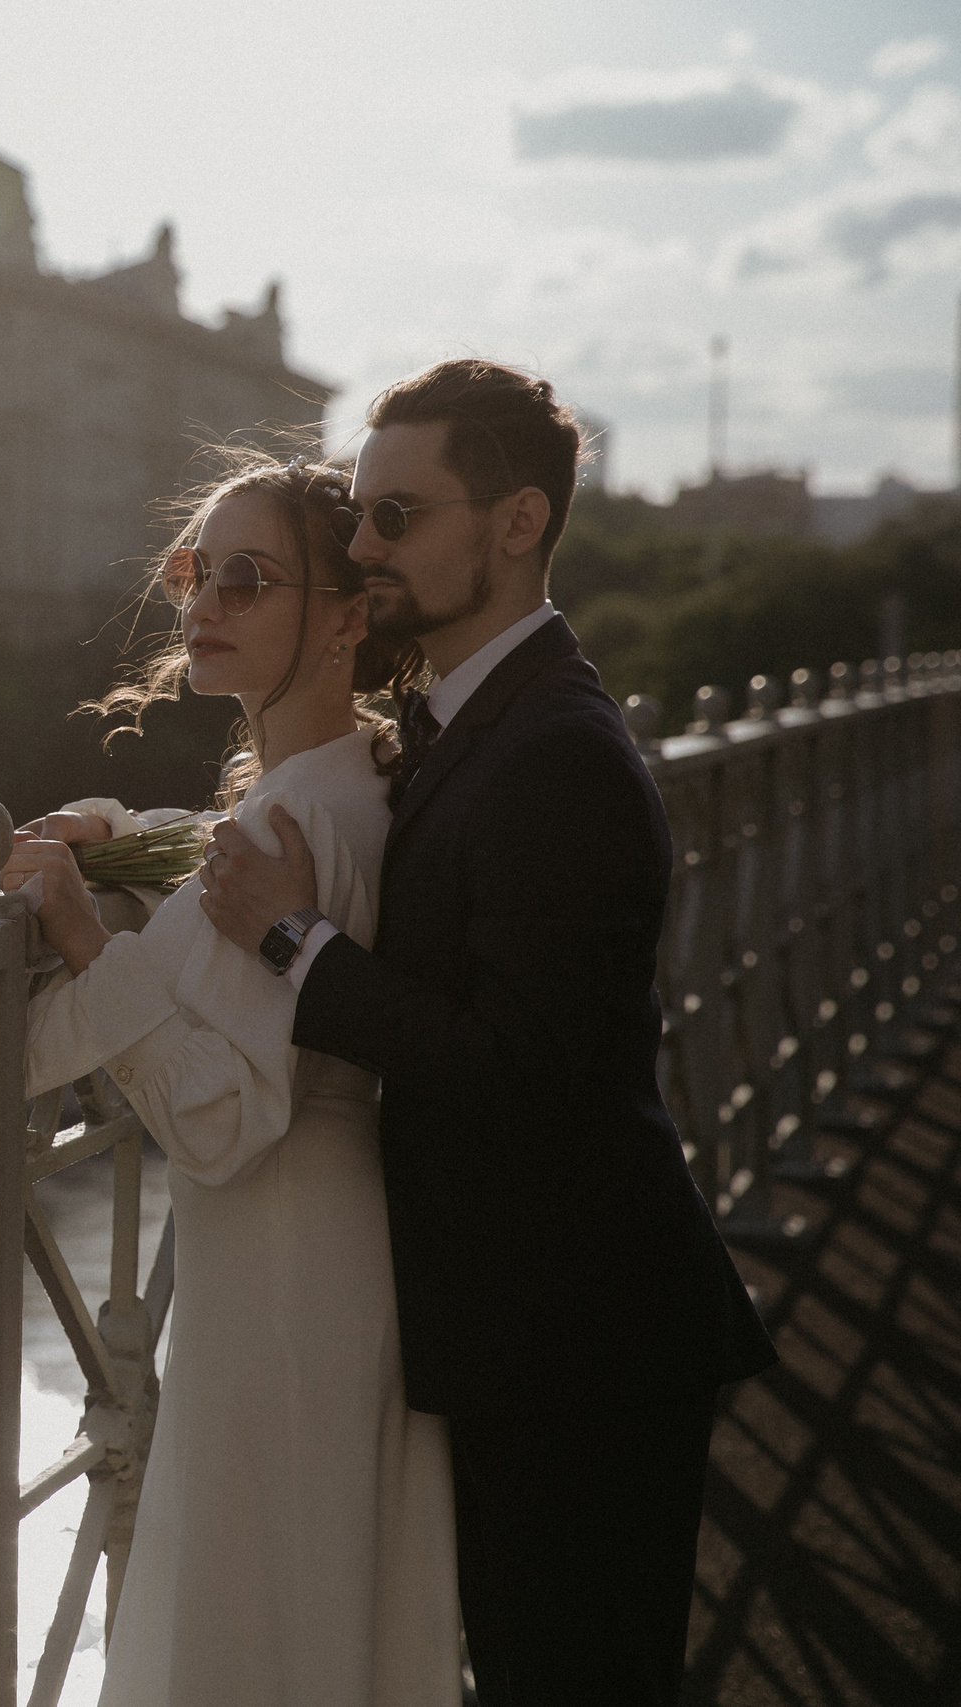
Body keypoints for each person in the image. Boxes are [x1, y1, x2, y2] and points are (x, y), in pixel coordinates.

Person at [196, 360, 777, 1706]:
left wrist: (294, 934)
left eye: (397, 515)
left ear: (519, 522)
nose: (359, 546)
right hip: (532, 1321)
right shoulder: (473, 719)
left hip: (580, 1337)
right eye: (355, 513)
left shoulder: (558, 750)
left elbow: (516, 1066)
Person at [2, 453, 461, 1706]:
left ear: (349, 617)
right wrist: (116, 832)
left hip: (281, 1273)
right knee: (320, 1618)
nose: (203, 602)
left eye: (247, 579)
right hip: (344, 1245)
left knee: (252, 1628)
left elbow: (216, 1124)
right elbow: (216, 891)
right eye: (192, 571)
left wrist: (89, 946)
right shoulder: (354, 781)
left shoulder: (282, 829)